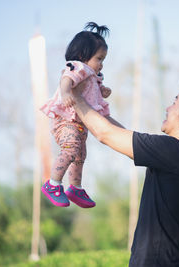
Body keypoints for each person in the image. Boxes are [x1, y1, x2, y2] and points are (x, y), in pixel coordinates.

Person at [72, 81, 179, 266]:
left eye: (175, 102)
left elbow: (105, 134)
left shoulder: (176, 153)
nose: (168, 108)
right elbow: (116, 132)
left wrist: (72, 94)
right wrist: (92, 101)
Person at [39, 22, 119, 208]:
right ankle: (53, 184)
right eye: (99, 59)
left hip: (80, 124)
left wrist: (103, 90)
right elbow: (66, 79)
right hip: (65, 121)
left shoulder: (93, 75)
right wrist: (66, 93)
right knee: (71, 148)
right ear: (83, 56)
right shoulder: (78, 67)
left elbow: (93, 92)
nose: (101, 64)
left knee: (80, 155)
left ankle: (75, 187)